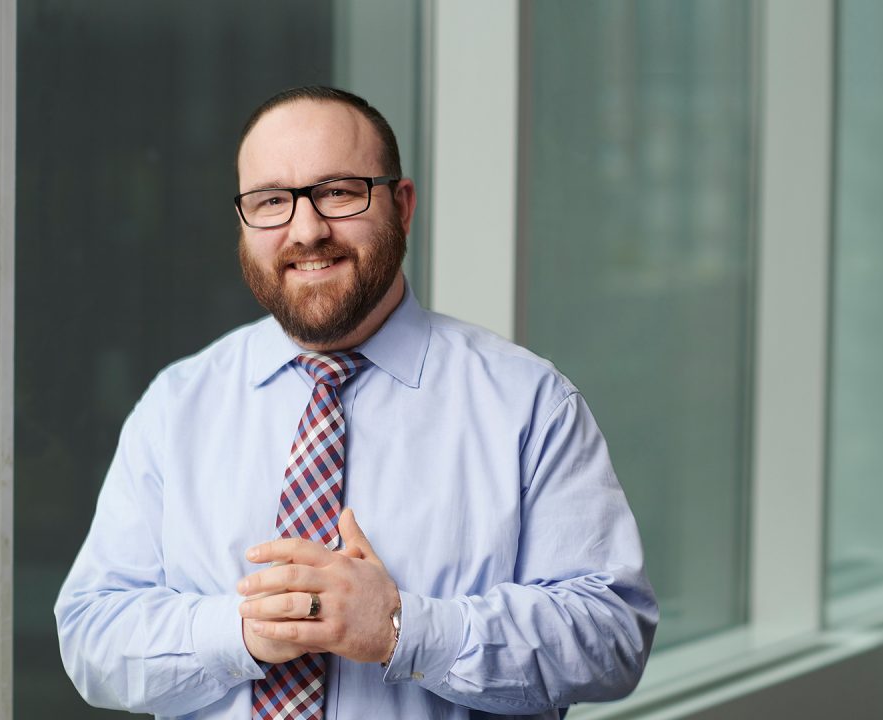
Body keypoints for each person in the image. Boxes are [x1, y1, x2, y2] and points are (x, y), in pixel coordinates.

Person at [55, 85, 657, 720]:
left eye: (339, 192)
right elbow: (92, 633)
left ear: (401, 204)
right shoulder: (176, 406)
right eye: (271, 202)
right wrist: (240, 633)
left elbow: (613, 636)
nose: (307, 231)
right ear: (243, 221)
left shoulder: (529, 404)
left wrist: (403, 627)